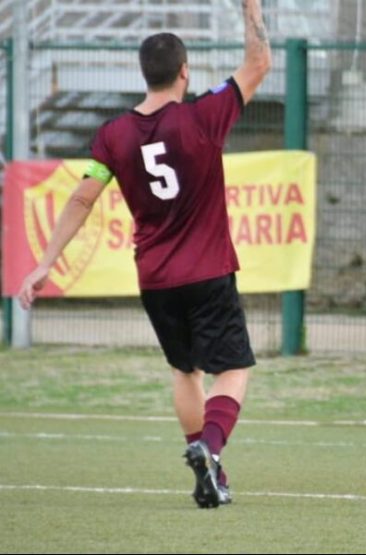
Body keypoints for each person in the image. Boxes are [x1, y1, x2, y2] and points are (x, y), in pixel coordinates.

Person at [17, 0, 271, 508]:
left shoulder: (113, 136)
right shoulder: (204, 115)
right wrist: (252, 8)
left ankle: (209, 472)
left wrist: (45, 263)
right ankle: (211, 449)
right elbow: (259, 62)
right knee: (234, 369)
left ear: (144, 74)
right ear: (184, 71)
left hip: (155, 278)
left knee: (184, 372)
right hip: (209, 271)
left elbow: (83, 197)